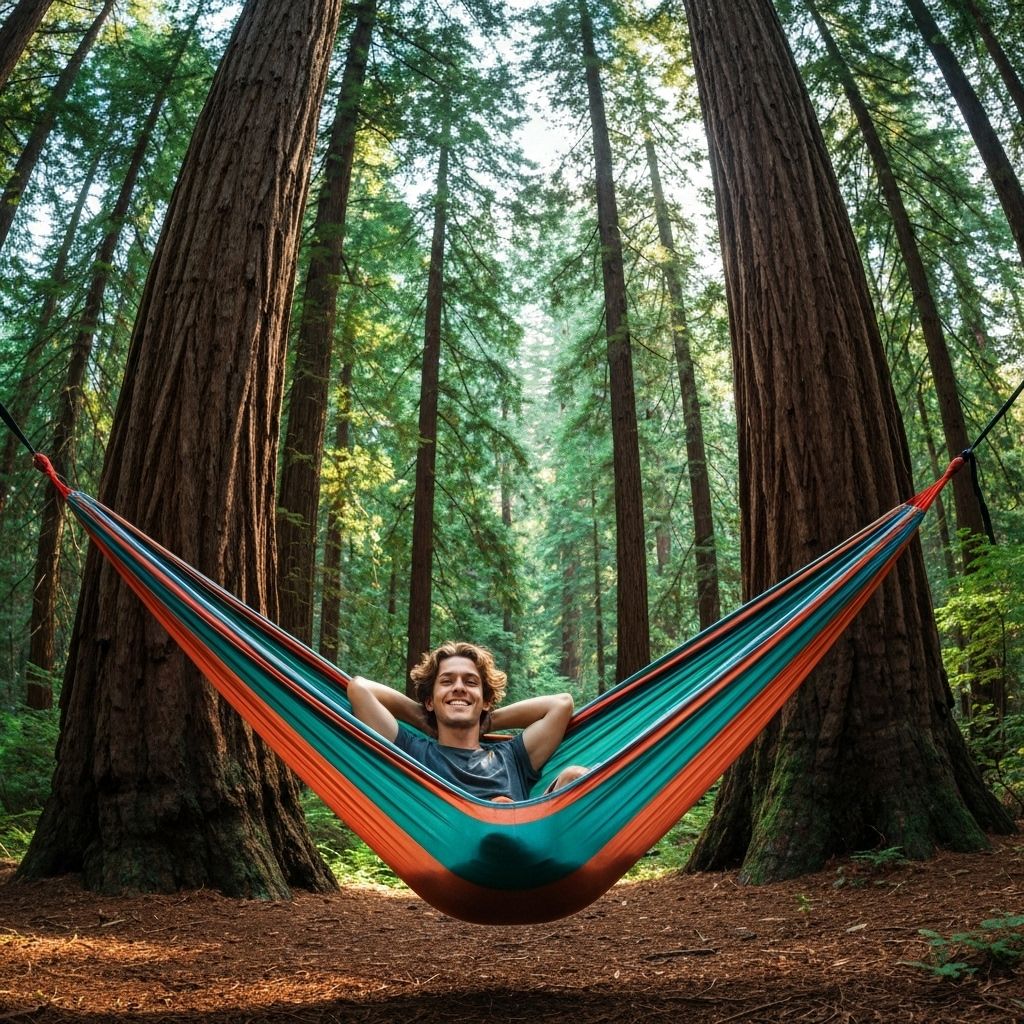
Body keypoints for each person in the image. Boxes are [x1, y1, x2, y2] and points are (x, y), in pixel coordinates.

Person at [347, 641, 587, 802]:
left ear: (485, 701)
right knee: (499, 809)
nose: (459, 688)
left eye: (471, 683)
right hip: (453, 848)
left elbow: (561, 704)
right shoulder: (413, 751)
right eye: (447, 682)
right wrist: (423, 717)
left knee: (574, 775)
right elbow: (359, 688)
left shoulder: (513, 756)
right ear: (429, 700)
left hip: (527, 845)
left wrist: (488, 719)